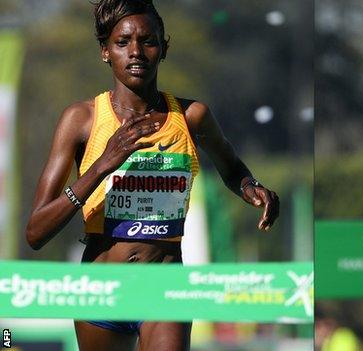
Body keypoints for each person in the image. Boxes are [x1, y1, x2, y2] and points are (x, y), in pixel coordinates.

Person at [25, 1, 279, 350]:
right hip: (102, 290)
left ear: (164, 48)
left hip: (164, 285)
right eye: (122, 42)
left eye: (148, 41)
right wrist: (102, 165)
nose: (136, 52)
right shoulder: (81, 120)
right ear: (104, 51)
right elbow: (36, 231)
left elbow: (233, 169)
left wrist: (252, 187)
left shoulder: (191, 116)